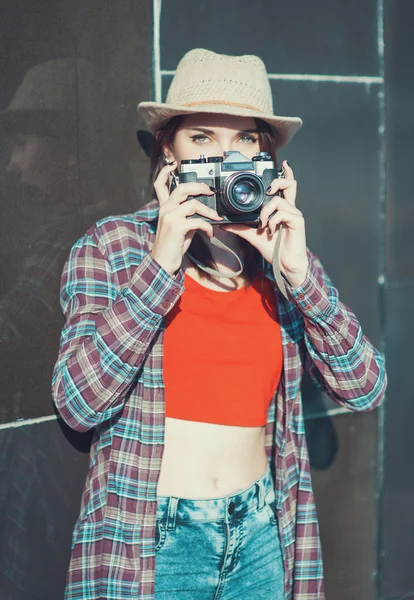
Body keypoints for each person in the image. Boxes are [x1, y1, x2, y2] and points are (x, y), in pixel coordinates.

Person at [51, 48, 387, 600]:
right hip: (153, 540)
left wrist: (300, 277)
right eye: (202, 138)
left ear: (267, 159)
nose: (226, 159)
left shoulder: (283, 260)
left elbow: (366, 387)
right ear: (169, 150)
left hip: (260, 532)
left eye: (245, 141)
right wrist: (161, 266)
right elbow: (77, 403)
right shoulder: (113, 247)